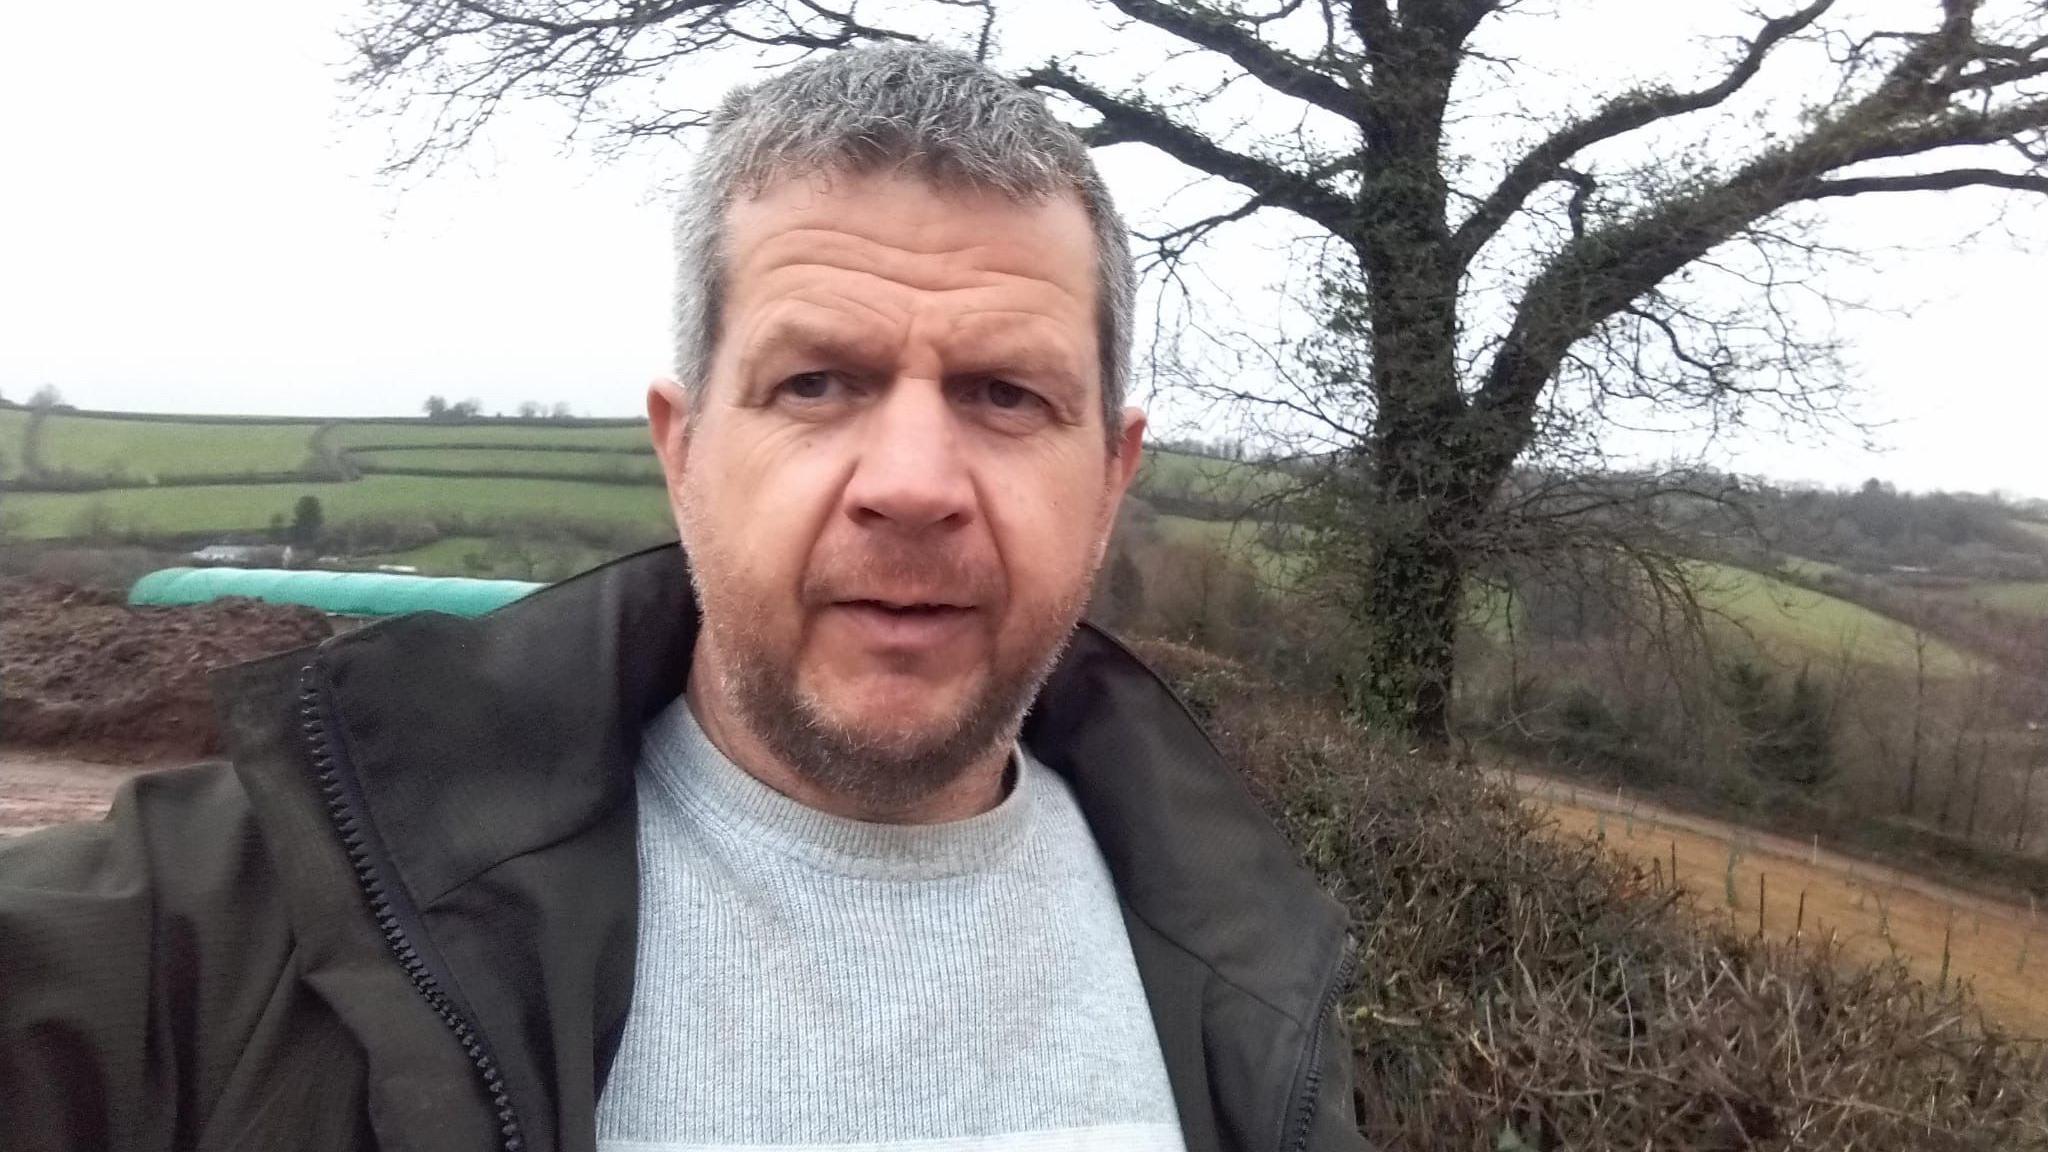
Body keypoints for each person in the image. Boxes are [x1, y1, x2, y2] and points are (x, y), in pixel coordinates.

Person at [0, 44, 1362, 1152]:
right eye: (816, 382)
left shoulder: (1251, 981)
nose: (910, 483)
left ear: (1112, 475)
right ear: (684, 448)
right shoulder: (247, 919)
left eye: (1006, 395)